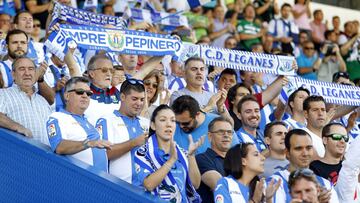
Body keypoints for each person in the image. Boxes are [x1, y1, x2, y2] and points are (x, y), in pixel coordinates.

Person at [134, 105, 203, 202]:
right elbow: (149, 185)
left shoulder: (183, 153)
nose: (169, 124)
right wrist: (171, 161)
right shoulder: (142, 153)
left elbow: (195, 184)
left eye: (172, 120)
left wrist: (191, 156)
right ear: (153, 125)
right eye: (163, 120)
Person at [46, 77, 111, 171]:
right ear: (67, 96)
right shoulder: (56, 117)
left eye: (89, 93)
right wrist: (88, 143)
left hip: (100, 180)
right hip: (78, 179)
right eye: (80, 92)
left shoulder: (88, 121)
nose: (85, 96)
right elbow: (58, 146)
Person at [95, 78, 149, 184]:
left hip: (147, 190)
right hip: (120, 188)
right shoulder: (106, 121)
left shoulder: (147, 123)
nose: (139, 103)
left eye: (142, 99)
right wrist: (134, 143)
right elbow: (102, 155)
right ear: (122, 97)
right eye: (134, 99)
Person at [269, 129, 339, 203]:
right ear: (287, 153)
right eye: (298, 149)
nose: (305, 153)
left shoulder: (326, 184)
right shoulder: (275, 183)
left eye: (309, 148)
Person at [0, 56, 51, 145]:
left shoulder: (43, 101)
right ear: (13, 74)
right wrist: (17, 127)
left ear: (35, 73)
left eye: (31, 69)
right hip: (18, 153)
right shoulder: (3, 94)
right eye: (22, 69)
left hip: (45, 156)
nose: (27, 73)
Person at [213, 143, 281, 203]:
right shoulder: (226, 183)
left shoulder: (259, 187)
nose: (263, 158)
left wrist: (269, 199)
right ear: (243, 161)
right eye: (256, 154)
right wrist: (254, 200)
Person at [196, 117, 234, 203]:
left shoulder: (237, 160)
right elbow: (221, 187)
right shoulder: (201, 159)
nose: (226, 135)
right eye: (221, 132)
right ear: (210, 136)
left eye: (229, 132)